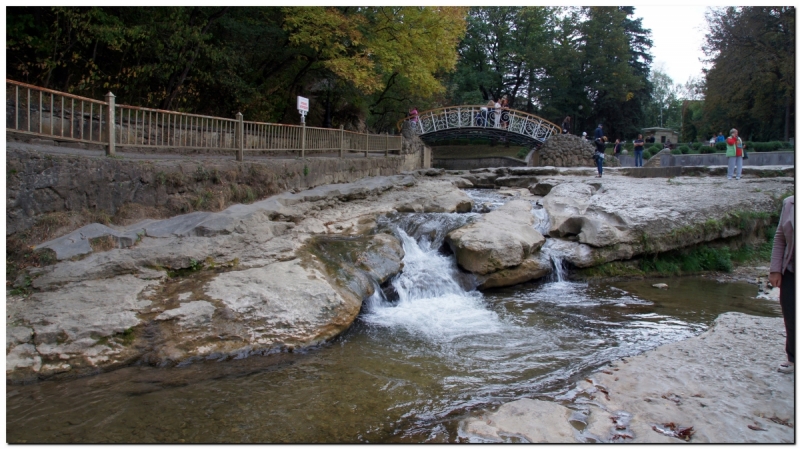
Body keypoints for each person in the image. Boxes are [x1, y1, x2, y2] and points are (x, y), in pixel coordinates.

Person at [769, 195, 795, 374]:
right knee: (791, 314)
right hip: (792, 270)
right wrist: (775, 269)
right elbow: (780, 238)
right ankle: (793, 358)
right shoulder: (789, 203)